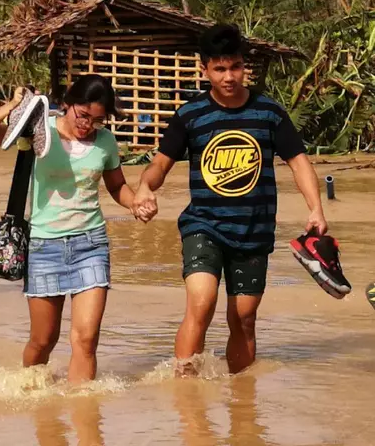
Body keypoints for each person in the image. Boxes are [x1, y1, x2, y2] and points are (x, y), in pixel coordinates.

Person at [132, 24, 328, 375]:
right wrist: (146, 187)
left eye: (235, 67)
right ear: (204, 69)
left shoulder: (269, 113)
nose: (229, 77)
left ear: (243, 66)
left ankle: (241, 399)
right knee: (201, 303)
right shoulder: (190, 115)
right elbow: (159, 164)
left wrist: (316, 208)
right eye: (219, 69)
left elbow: (299, 162)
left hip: (254, 231)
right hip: (203, 225)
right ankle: (186, 392)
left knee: (244, 319)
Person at [0, 76, 143, 383]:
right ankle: (34, 396)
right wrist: (14, 106)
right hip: (44, 246)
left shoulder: (106, 142)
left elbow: (118, 187)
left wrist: (136, 203)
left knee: (86, 339)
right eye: (83, 115)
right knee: (43, 340)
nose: (88, 125)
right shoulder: (38, 129)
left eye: (97, 120)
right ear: (68, 104)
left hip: (91, 245)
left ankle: (82, 407)